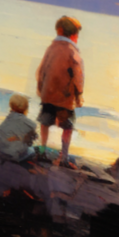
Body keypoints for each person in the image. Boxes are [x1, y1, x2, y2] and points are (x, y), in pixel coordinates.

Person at [35, 15, 84, 162]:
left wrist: (40, 88)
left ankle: (42, 150)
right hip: (65, 98)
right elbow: (78, 76)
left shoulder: (50, 48)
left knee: (45, 123)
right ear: (74, 35)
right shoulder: (73, 52)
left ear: (59, 31)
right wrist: (79, 95)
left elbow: (41, 70)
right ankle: (64, 156)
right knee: (67, 127)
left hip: (48, 94)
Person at [0, 92, 37, 163]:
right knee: (31, 150)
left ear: (11, 106)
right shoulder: (26, 122)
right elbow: (34, 126)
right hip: (14, 156)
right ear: (26, 109)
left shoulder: (8, 119)